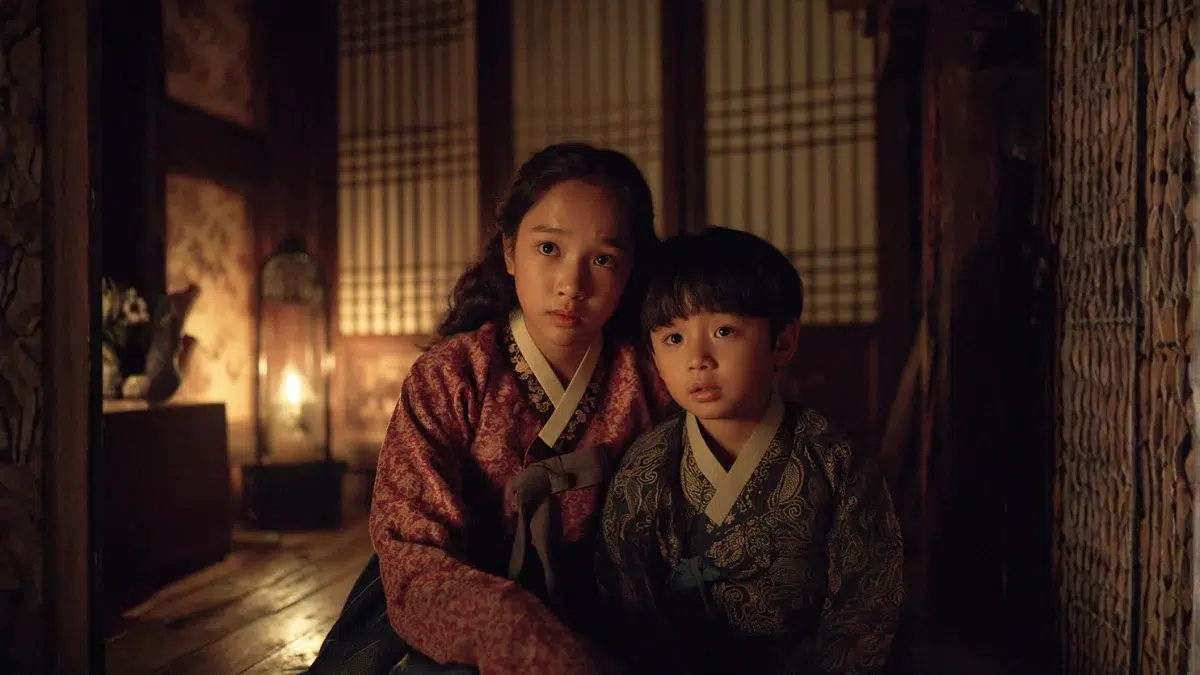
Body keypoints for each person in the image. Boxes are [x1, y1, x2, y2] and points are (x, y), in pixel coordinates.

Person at [305, 142, 675, 675]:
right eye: (549, 248)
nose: (572, 284)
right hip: (458, 604)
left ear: (631, 269)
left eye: (603, 259)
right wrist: (522, 636)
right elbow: (413, 549)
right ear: (509, 252)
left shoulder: (649, 375)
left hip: (608, 603)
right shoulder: (451, 375)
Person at [594, 226, 905, 674]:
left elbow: (868, 600)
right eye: (674, 339)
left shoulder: (834, 458)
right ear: (654, 356)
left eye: (724, 330)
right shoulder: (646, 466)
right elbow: (627, 599)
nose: (698, 359)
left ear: (782, 341)